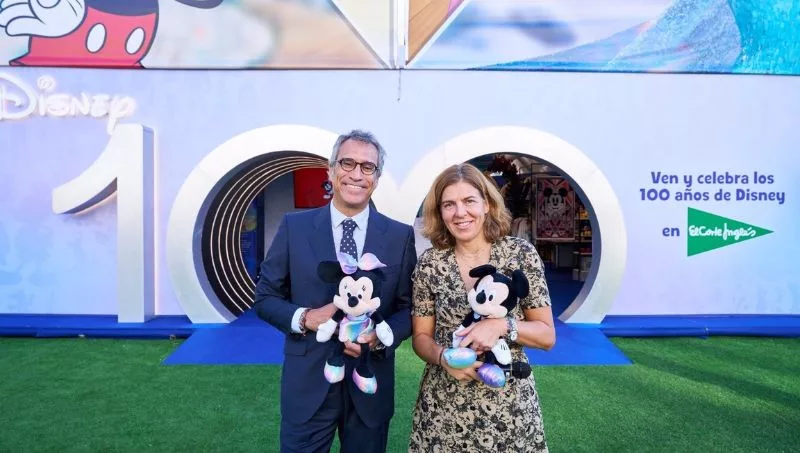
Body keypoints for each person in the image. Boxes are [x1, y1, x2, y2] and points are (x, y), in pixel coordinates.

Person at [254, 130, 417, 453]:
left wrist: (378, 337)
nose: (357, 174)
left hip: (369, 383)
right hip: (308, 383)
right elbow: (265, 297)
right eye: (347, 163)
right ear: (331, 170)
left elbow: (408, 307)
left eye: (367, 167)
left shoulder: (400, 236)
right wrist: (305, 317)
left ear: (377, 178)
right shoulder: (294, 227)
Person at [409, 163, 556, 452]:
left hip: (509, 408)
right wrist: (442, 357)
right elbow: (421, 338)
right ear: (440, 212)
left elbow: (547, 335)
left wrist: (501, 325)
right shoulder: (430, 263)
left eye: (469, 201)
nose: (460, 212)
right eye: (449, 204)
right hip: (444, 407)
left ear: (487, 205)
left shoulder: (520, 254)